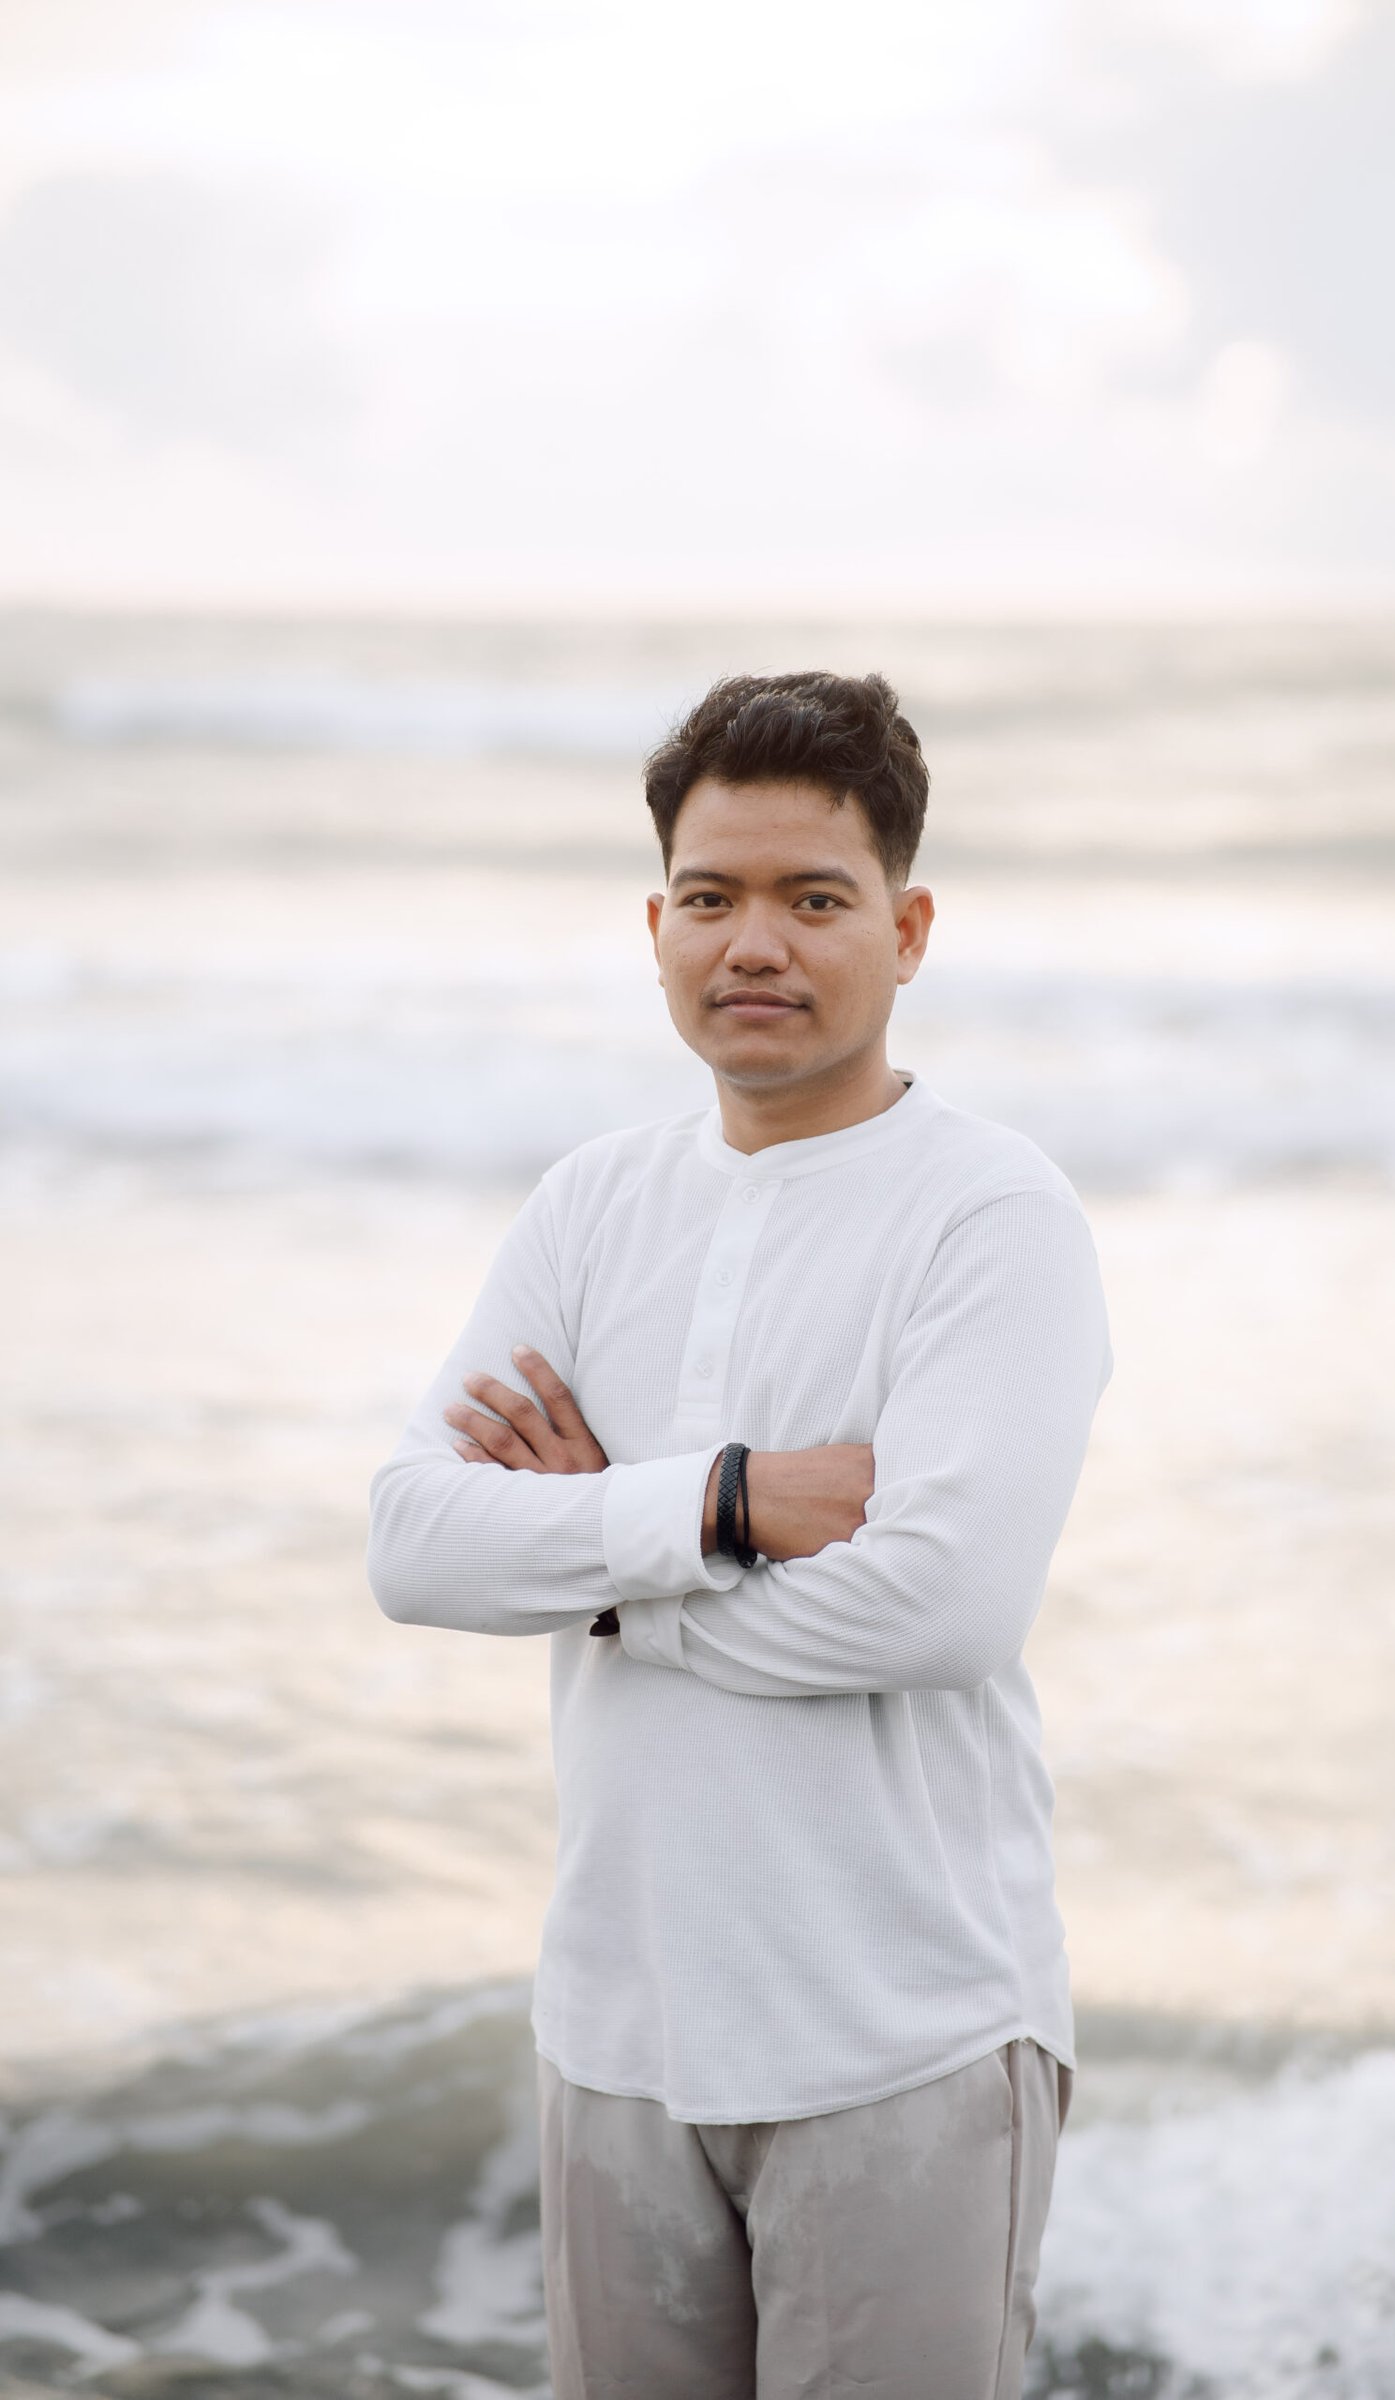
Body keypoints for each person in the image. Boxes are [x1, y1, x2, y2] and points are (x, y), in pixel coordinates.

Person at [367, 668, 1113, 2400]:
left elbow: (938, 1609)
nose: (753, 944)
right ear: (656, 929)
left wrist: (603, 1561)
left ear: (907, 931)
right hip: (615, 2034)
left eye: (814, 900)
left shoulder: (993, 1214)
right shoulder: (592, 1204)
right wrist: (725, 1504)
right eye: (710, 898)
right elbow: (415, 1542)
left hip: (900, 2037)